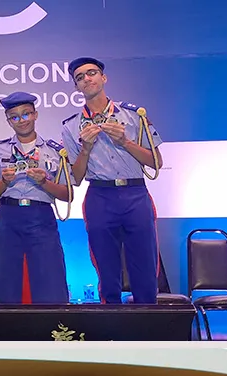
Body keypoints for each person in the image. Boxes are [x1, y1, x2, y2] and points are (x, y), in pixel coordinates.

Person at [60, 57, 163, 305]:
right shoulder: (71, 126)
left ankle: (149, 321)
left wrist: (125, 142)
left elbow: (156, 162)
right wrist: (86, 149)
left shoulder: (134, 115)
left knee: (145, 265)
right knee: (106, 269)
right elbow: (75, 178)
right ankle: (111, 323)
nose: (87, 79)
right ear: (76, 87)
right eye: (80, 77)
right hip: (100, 197)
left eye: (92, 73)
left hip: (135, 194)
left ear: (103, 78)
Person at [0, 91, 71, 304]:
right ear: (8, 121)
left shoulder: (55, 151)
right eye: (15, 117)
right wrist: (4, 182)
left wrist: (44, 182)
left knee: (49, 279)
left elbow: (67, 194)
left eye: (26, 114)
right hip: (8, 217)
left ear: (35, 115)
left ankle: (53, 323)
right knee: (4, 282)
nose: (21, 120)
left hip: (41, 216)